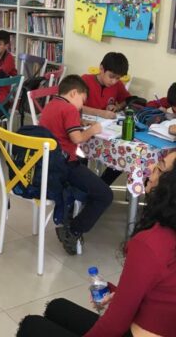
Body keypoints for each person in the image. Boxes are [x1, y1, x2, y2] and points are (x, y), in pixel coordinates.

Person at [16, 150, 176, 337]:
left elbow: (114, 326)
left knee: (31, 326)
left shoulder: (151, 243)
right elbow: (164, 295)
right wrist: (122, 294)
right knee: (57, 307)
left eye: (159, 168)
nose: (150, 167)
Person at [39, 75, 113, 255]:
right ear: (73, 93)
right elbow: (77, 138)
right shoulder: (70, 109)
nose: (81, 106)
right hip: (63, 166)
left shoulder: (51, 104)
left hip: (45, 165)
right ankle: (72, 230)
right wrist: (92, 130)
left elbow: (61, 124)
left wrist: (81, 123)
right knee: (105, 195)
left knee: (88, 180)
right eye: (82, 100)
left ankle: (69, 217)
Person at [81, 53, 131, 186]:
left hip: (105, 134)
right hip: (84, 132)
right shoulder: (85, 80)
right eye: (111, 76)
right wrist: (101, 112)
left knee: (122, 157)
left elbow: (127, 99)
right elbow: (77, 106)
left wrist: (117, 106)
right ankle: (83, 185)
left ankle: (101, 185)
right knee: (80, 159)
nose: (114, 81)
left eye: (118, 78)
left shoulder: (117, 85)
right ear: (101, 69)